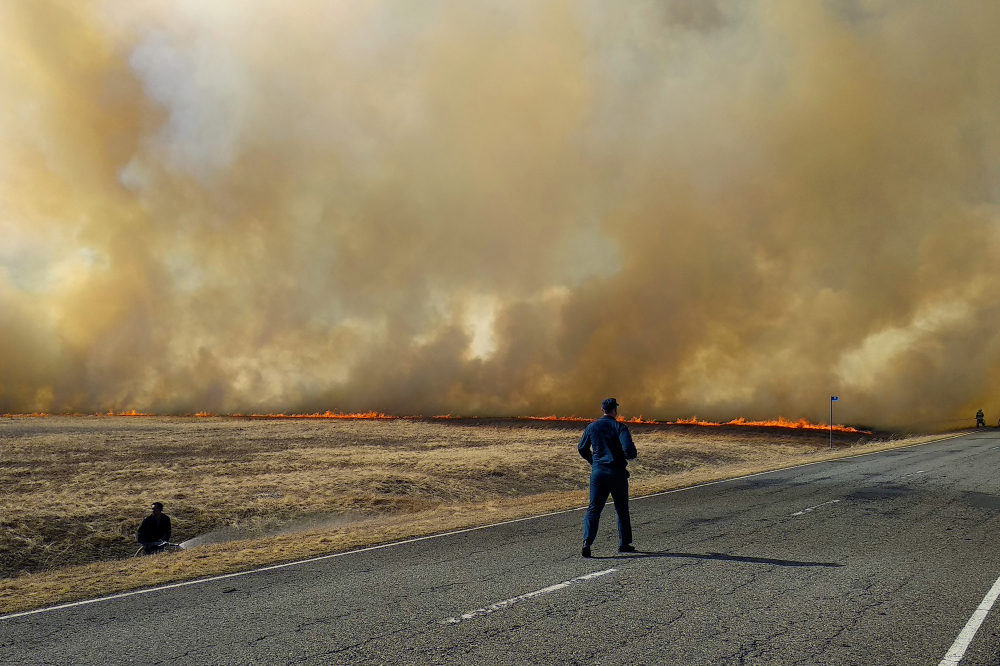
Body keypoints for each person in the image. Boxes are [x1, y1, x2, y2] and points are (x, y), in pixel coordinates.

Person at [578, 398, 638, 557]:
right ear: (615, 410)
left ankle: (587, 541)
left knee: (594, 509)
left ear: (602, 409)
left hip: (598, 474)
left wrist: (594, 462)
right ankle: (624, 544)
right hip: (617, 474)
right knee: (621, 510)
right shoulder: (620, 427)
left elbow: (581, 448)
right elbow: (629, 450)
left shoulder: (592, 427)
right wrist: (628, 456)